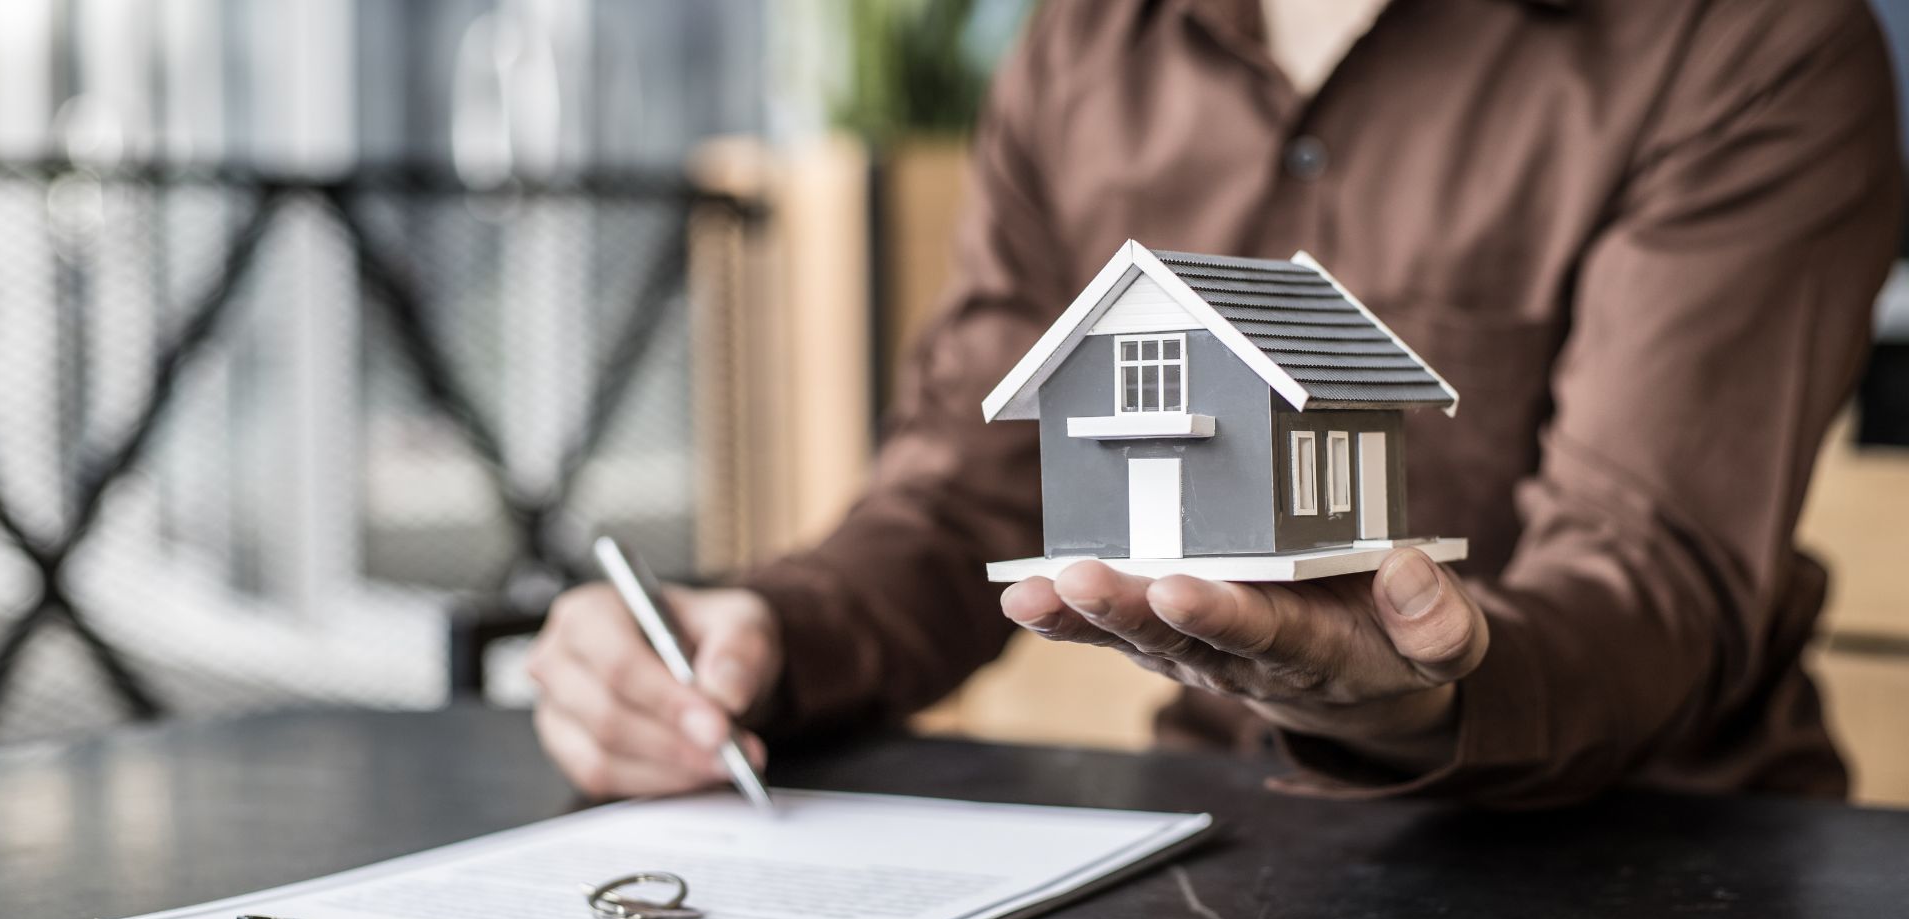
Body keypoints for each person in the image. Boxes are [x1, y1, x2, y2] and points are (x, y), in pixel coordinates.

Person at [526, 0, 1902, 808]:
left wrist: (1401, 692)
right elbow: (976, 484)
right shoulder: (1084, 40)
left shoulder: (1749, 38)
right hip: (1219, 872)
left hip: (1662, 891)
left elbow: (1653, 570)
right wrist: (769, 628)